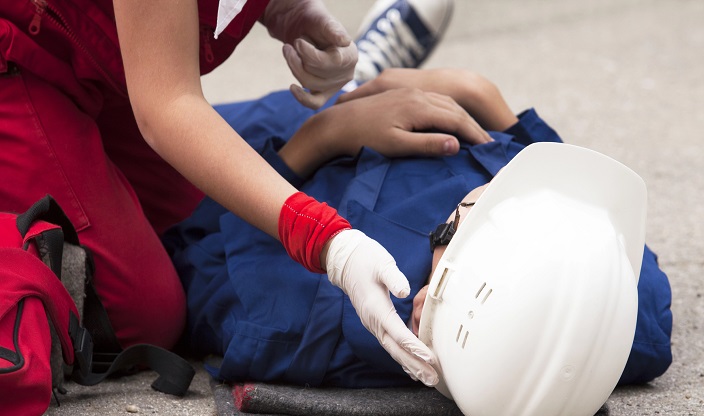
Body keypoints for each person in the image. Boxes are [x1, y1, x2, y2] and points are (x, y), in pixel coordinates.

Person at [0, 0, 448, 387]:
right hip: (24, 61)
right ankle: (339, 102)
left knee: (202, 223)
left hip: (109, 65)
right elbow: (168, 107)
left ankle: (340, 101)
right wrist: (329, 242)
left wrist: (282, 9)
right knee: (140, 315)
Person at [164, 68, 674, 389]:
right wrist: (483, 98)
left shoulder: (288, 322)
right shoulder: (628, 313)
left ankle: (362, 71)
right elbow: (569, 181)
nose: (489, 193)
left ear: (425, 305)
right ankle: (374, 68)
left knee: (159, 124)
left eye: (465, 225)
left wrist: (321, 136)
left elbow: (194, 230)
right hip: (429, 107)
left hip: (285, 147)